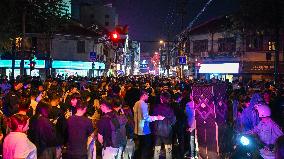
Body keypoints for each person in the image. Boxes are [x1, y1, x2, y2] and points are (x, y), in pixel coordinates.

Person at [133, 90, 165, 159]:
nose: (148, 96)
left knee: (141, 145)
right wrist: (157, 117)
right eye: (147, 95)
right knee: (146, 145)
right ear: (144, 95)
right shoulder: (143, 104)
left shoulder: (136, 103)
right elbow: (146, 118)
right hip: (144, 128)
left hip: (138, 127)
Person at [152, 92, 176, 159]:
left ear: (161, 99)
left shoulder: (156, 108)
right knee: (168, 149)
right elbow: (173, 121)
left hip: (157, 131)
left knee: (157, 149)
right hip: (167, 131)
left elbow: (153, 119)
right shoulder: (170, 109)